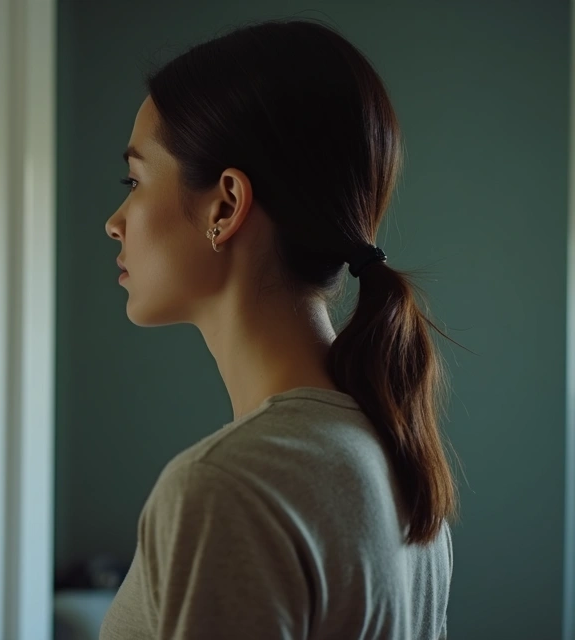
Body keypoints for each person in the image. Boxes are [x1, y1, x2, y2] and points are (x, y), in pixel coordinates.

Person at [99, 20, 454, 640]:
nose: (113, 221)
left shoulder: (228, 488)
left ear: (226, 205)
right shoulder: (399, 467)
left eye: (135, 181)